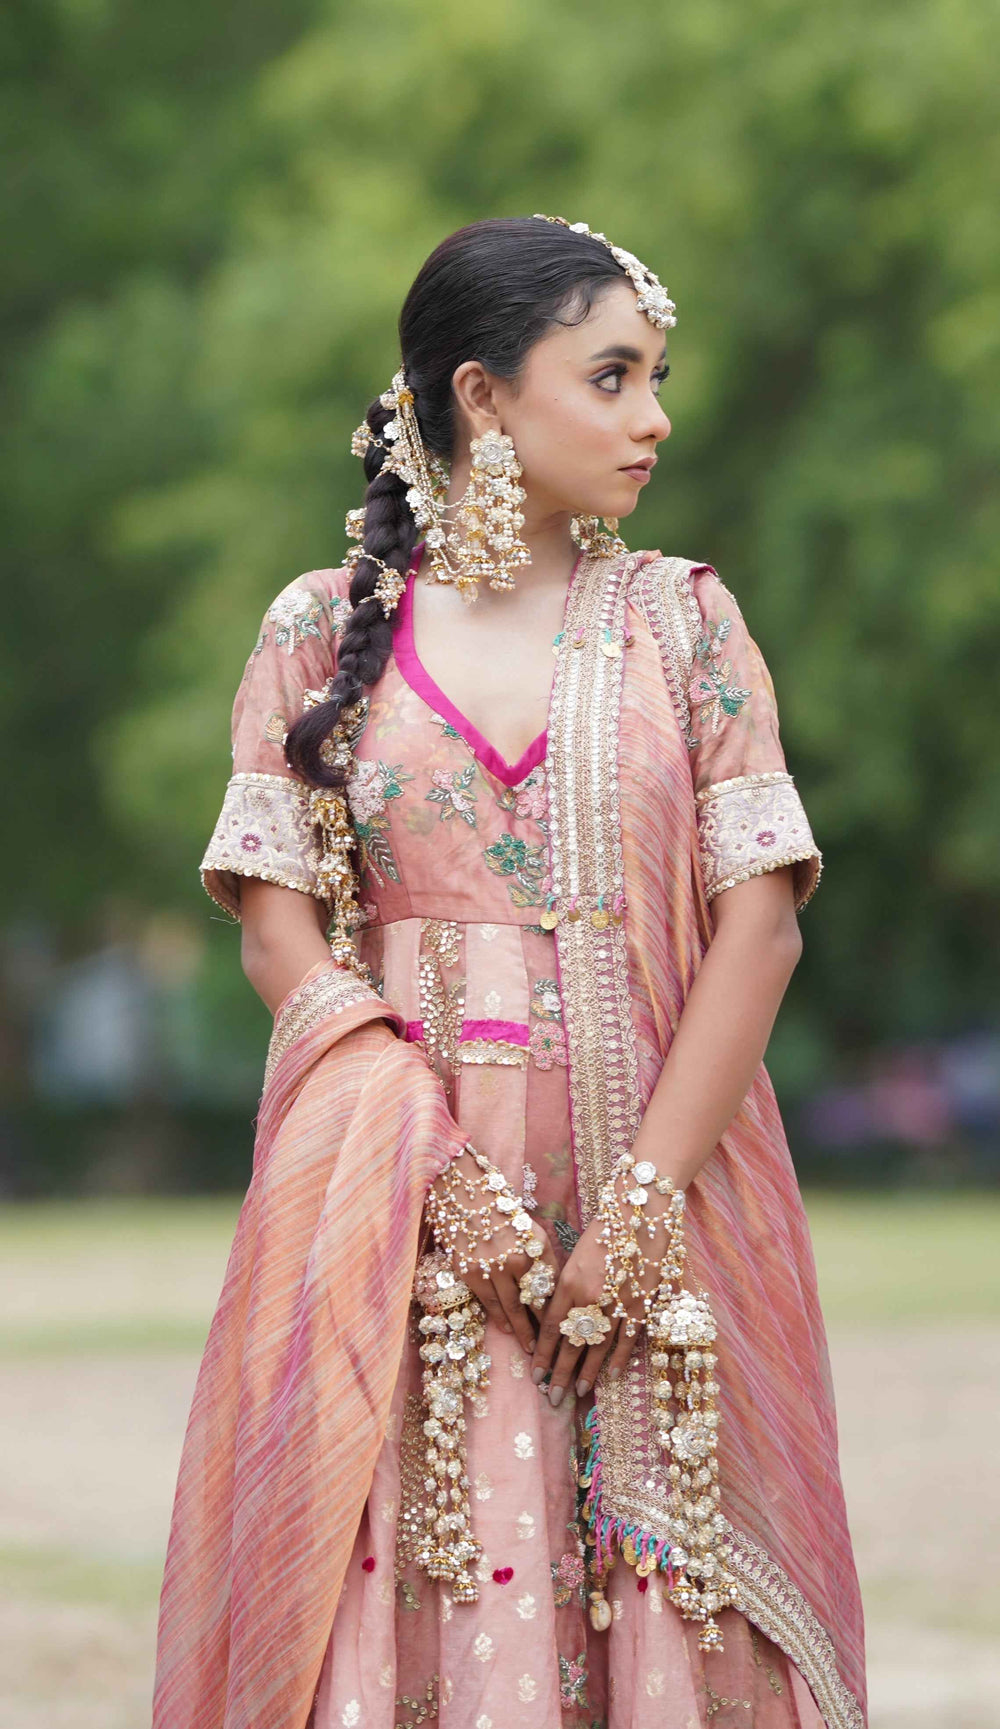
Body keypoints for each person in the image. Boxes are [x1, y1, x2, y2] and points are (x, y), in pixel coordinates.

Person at [153, 216, 866, 1729]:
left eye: (658, 378)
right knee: (430, 1564)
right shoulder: (319, 630)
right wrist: (440, 1176)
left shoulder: (688, 625)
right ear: (483, 396)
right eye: (611, 376)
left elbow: (765, 919)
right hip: (400, 1224)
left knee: (675, 1591)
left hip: (664, 1191)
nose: (654, 416)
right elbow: (274, 918)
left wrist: (642, 1204)